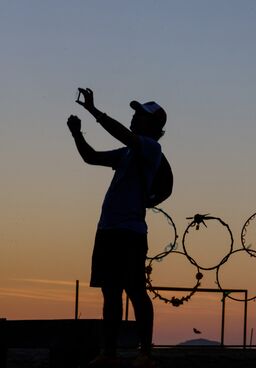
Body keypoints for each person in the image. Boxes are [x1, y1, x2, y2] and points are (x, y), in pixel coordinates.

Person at [68, 88, 167, 368]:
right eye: (134, 113)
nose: (134, 117)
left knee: (135, 290)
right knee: (110, 292)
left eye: (139, 115)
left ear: (153, 126)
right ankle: (108, 352)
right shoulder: (125, 153)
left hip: (130, 233)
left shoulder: (151, 148)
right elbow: (90, 157)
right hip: (108, 230)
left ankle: (145, 353)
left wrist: (93, 111)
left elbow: (123, 133)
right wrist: (77, 133)